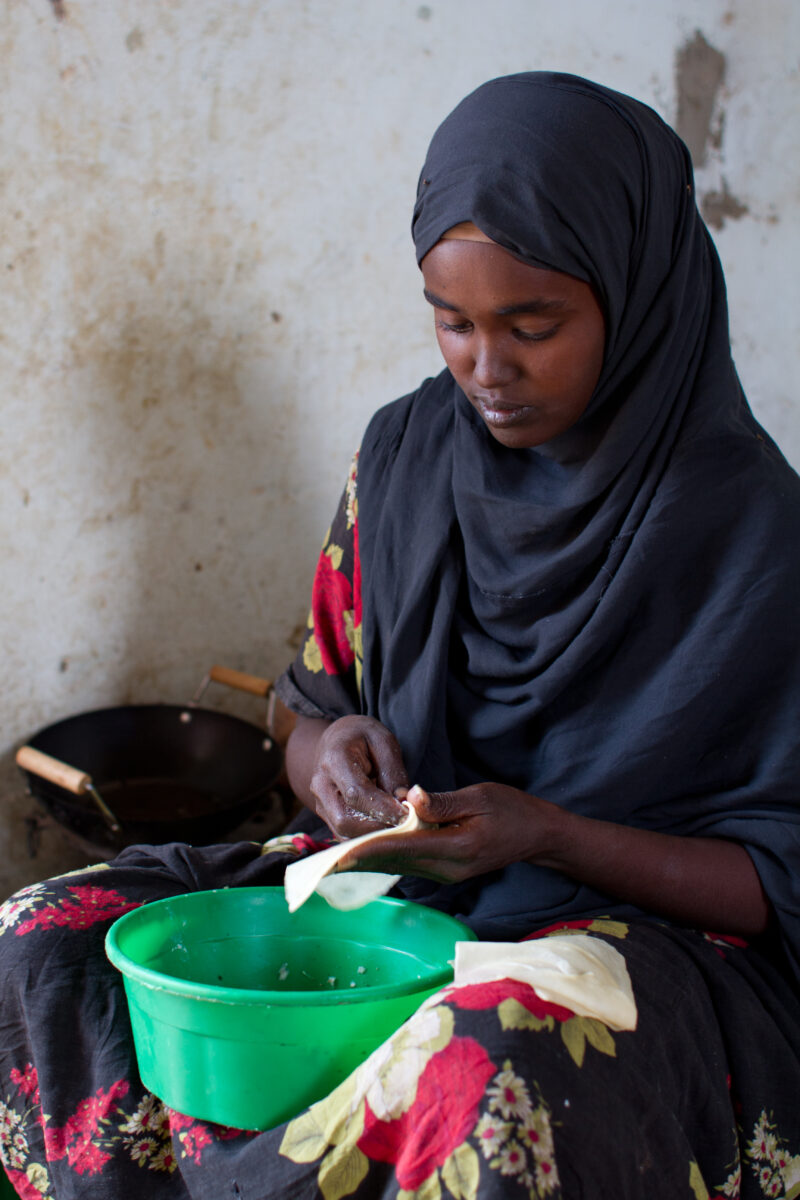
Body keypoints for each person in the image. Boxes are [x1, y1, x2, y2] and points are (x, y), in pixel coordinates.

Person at [0, 72, 798, 1200]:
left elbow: (774, 880)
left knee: (492, 1055)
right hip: (397, 904)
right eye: (450, 318)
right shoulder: (404, 460)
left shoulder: (751, 533)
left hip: (625, 938)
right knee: (43, 937)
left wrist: (550, 837)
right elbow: (308, 705)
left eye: (534, 325)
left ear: (640, 296)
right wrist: (327, 760)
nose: (484, 365)